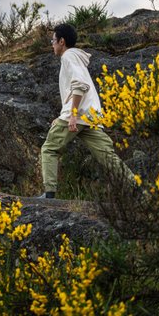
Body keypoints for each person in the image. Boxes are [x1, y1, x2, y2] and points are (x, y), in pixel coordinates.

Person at [37, 23, 135, 199]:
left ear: (62, 41)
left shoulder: (68, 56)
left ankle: (49, 195)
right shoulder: (76, 58)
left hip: (78, 115)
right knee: (107, 156)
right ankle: (135, 188)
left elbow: (79, 86)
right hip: (91, 116)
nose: (52, 44)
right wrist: (63, 115)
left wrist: (72, 115)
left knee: (49, 149)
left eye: (53, 40)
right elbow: (78, 87)